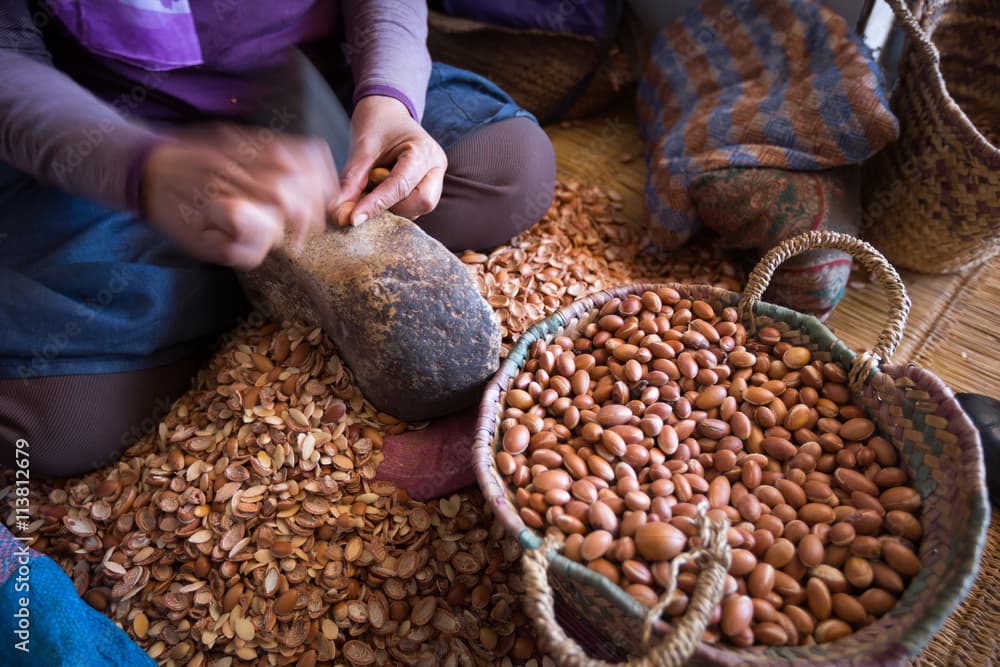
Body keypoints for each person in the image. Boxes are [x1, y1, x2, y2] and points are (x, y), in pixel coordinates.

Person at [0, 0, 557, 477]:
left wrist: (391, 96)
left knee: (510, 166)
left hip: (312, 91)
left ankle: (245, 268)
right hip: (111, 133)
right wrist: (141, 170)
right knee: (47, 430)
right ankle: (247, 262)